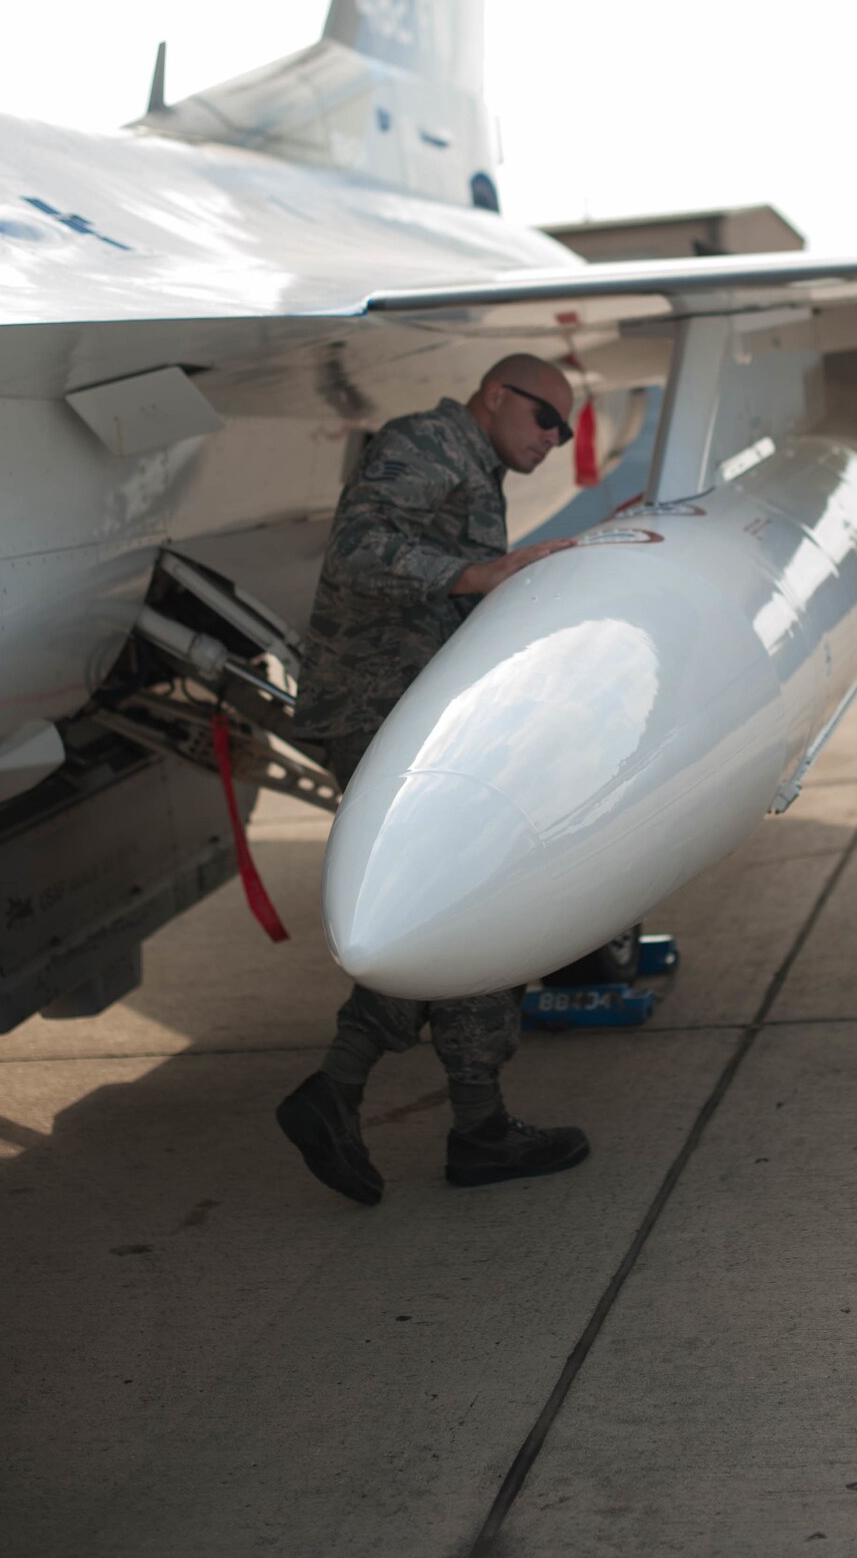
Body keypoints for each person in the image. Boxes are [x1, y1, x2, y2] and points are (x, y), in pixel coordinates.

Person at [277, 354, 587, 1205]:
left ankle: (341, 1091)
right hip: (376, 708)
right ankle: (475, 1128)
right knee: (467, 899)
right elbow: (359, 549)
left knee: (453, 902)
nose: (554, 441)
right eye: (545, 420)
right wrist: (475, 573)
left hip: (400, 709)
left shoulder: (469, 462)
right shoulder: (429, 443)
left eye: (564, 430)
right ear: (496, 396)